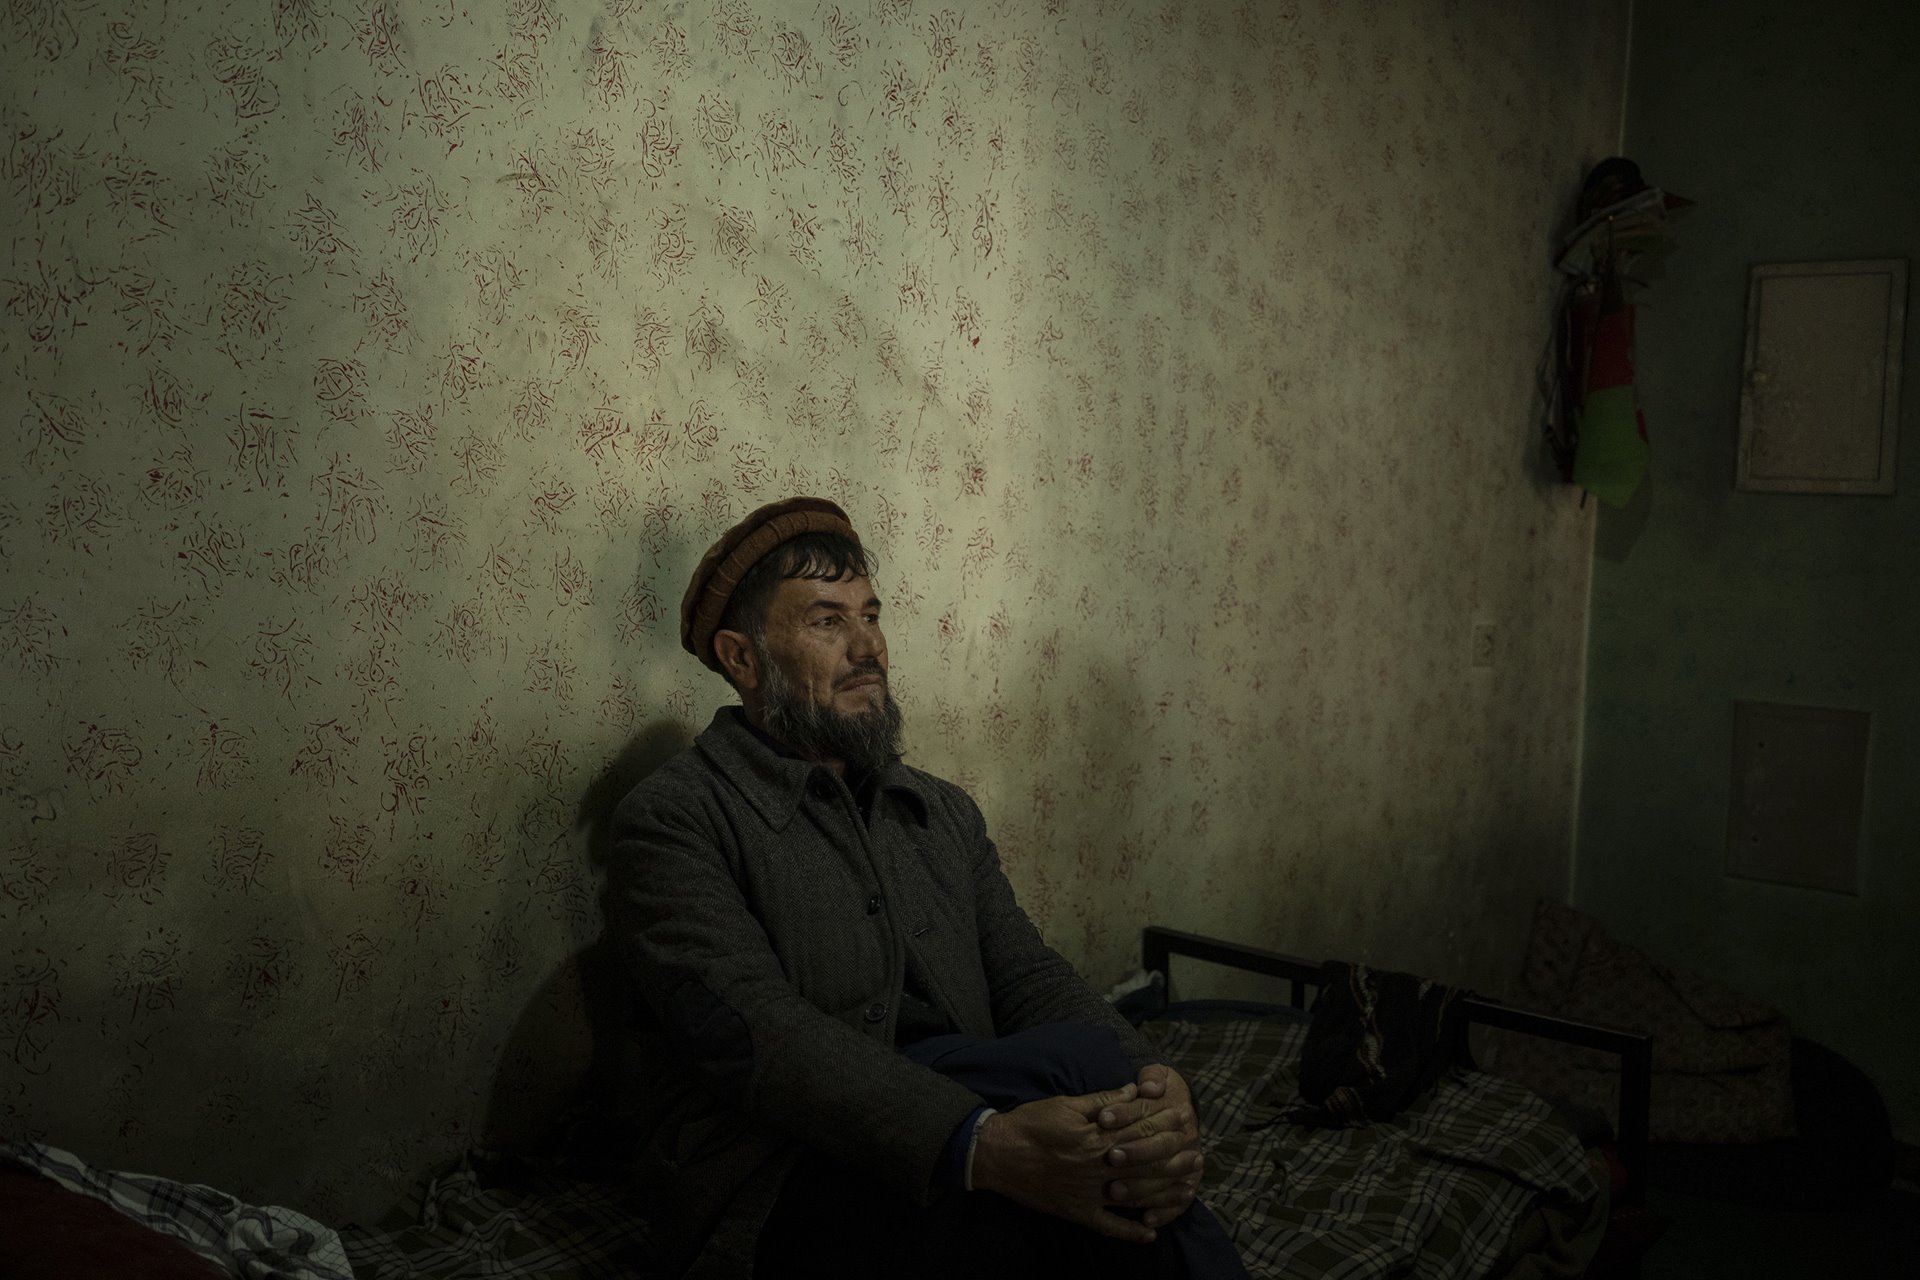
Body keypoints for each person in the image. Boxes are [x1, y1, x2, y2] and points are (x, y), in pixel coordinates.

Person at [608, 496, 1246, 1278]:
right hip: (780, 1173)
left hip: (958, 1126)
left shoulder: (938, 812)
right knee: (1077, 1104)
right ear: (742, 659)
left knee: (1098, 1157)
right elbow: (760, 1038)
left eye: (870, 616)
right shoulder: (674, 820)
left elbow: (1026, 973)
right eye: (826, 621)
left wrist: (1155, 1083)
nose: (868, 646)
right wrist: (987, 1144)